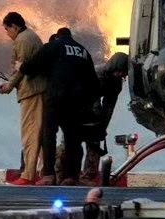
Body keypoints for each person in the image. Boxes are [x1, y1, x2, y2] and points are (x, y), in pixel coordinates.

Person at [20, 27, 99, 186]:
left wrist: (20, 67)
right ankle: (71, 176)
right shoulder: (83, 51)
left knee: (48, 134)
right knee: (73, 138)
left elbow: (30, 66)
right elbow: (94, 83)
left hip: (56, 97)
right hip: (77, 101)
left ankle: (49, 175)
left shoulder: (54, 46)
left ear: (57, 36)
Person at [0, 12, 47, 185]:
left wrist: (9, 86)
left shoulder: (23, 40)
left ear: (14, 26)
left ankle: (28, 175)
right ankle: (44, 171)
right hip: (38, 90)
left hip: (31, 92)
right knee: (39, 134)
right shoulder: (31, 36)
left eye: (7, 29)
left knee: (30, 134)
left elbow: (22, 68)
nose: (7, 33)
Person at [80, 52, 129, 184]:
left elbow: (109, 106)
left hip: (92, 108)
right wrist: (95, 121)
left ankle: (88, 176)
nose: (121, 75)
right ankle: (66, 174)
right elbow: (92, 98)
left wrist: (102, 127)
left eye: (124, 73)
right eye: (119, 71)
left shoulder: (116, 83)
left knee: (94, 142)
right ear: (113, 67)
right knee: (71, 142)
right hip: (78, 103)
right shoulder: (96, 74)